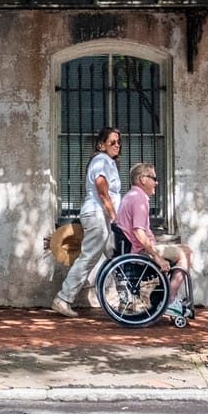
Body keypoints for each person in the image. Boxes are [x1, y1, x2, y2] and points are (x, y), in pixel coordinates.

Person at [53, 126, 121, 317]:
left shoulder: (108, 161)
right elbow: (102, 191)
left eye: (118, 142)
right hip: (97, 214)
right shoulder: (101, 160)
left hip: (103, 216)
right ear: (101, 144)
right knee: (89, 256)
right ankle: (64, 298)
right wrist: (115, 216)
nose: (117, 145)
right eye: (112, 142)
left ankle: (121, 299)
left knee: (112, 255)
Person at [116, 162, 195, 326]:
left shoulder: (131, 196)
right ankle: (169, 300)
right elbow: (139, 232)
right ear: (142, 179)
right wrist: (157, 257)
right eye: (153, 178)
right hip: (138, 252)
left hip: (133, 249)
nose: (156, 182)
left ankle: (166, 296)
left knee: (186, 249)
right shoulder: (138, 199)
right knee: (185, 254)